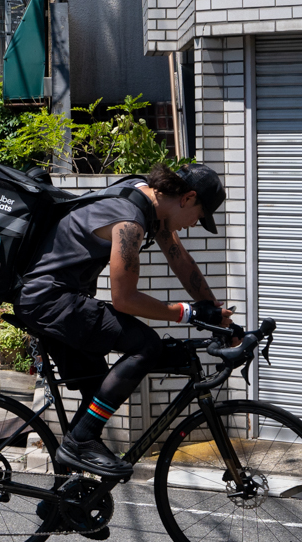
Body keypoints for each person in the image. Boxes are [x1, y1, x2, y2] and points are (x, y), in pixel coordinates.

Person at [15, 163, 231, 481]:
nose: (194, 224)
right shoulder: (130, 221)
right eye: (200, 216)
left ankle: (66, 497)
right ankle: (79, 443)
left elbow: (180, 259)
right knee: (145, 345)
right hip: (50, 300)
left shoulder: (145, 196)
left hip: (53, 299)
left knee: (98, 391)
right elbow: (125, 300)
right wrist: (189, 313)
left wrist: (215, 313)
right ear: (187, 198)